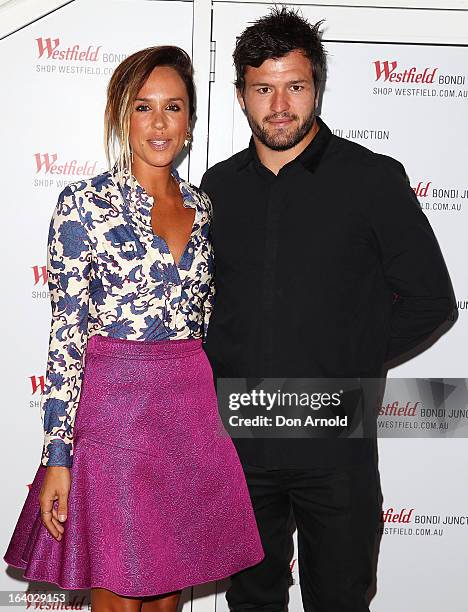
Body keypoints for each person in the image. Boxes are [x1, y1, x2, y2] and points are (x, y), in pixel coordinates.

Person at [200, 8, 456, 612]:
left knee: (340, 599)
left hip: (334, 447)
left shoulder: (373, 179)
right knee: (250, 602)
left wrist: (346, 365)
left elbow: (431, 301)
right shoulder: (215, 190)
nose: (281, 104)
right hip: (239, 446)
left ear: (316, 86)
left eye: (296, 85)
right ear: (241, 96)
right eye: (264, 88)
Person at [4, 46, 263, 612]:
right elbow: (66, 337)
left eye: (173, 107)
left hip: (188, 412)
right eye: (144, 108)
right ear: (123, 115)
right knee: (119, 594)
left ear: (191, 120)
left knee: (169, 595)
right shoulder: (84, 204)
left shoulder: (204, 207)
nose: (160, 123)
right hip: (114, 419)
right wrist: (57, 457)